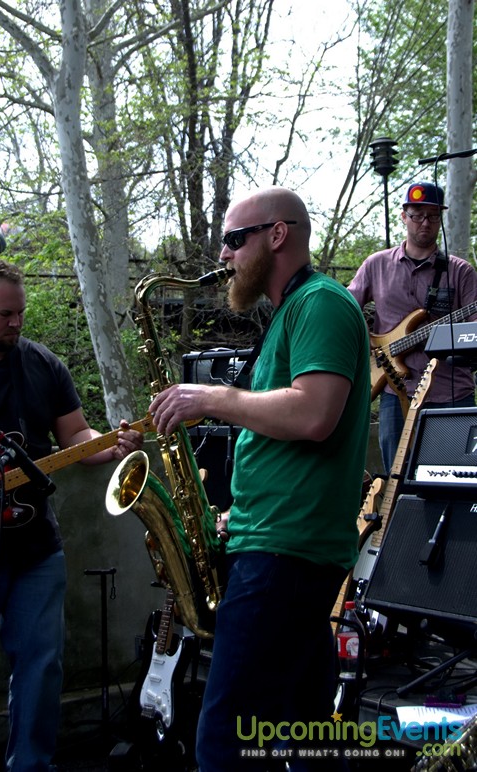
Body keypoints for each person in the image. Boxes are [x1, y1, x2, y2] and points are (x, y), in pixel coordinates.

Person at [149, 187, 371, 771]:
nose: (223, 254)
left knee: (225, 742)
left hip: (285, 550)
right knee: (308, 736)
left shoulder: (320, 303)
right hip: (280, 543)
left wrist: (216, 398)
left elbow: (314, 413)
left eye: (233, 239)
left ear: (277, 235)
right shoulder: (290, 313)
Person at [0, 258, 143, 772]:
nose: (17, 323)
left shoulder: (43, 364)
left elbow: (75, 436)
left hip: (35, 548)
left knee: (43, 667)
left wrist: (112, 444)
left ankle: (31, 766)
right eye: (5, 314)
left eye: (20, 313)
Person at [348, 181, 477, 474]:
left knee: (456, 478)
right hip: (396, 392)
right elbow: (344, 311)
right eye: (417, 214)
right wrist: (364, 345)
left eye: (433, 216)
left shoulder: (461, 271)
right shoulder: (376, 265)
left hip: (451, 392)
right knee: (398, 477)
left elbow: (474, 329)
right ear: (404, 216)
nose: (425, 223)